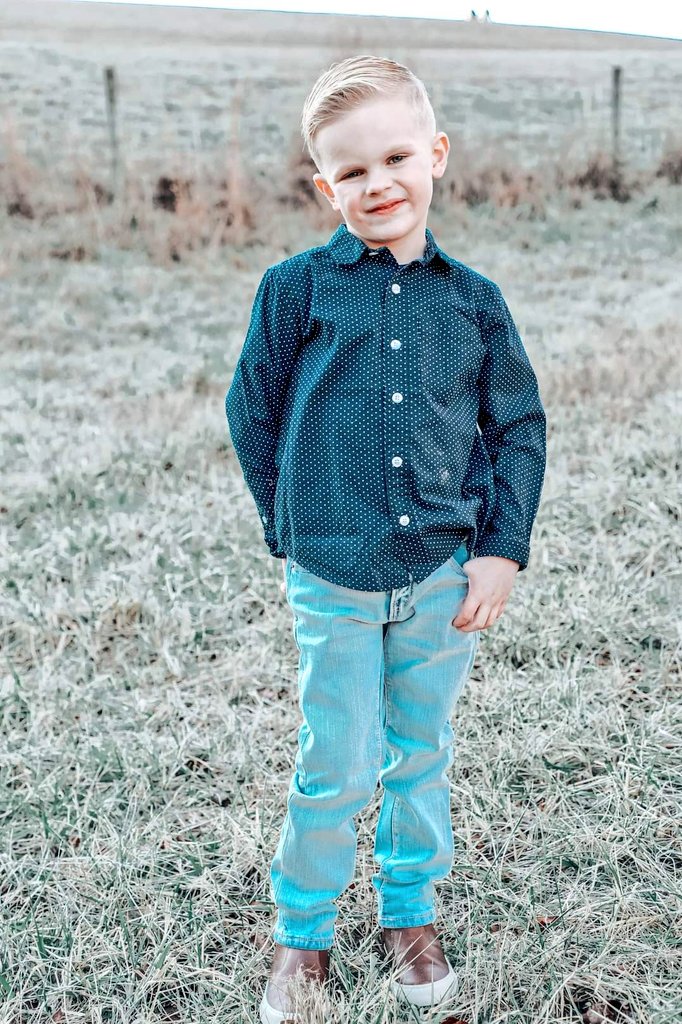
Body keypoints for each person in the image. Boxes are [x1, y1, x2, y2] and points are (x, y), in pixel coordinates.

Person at [225, 54, 547, 1024]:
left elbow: (516, 427)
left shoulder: (473, 300)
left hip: (441, 574)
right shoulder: (297, 291)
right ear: (326, 186)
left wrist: (499, 549)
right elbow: (254, 411)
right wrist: (292, 525)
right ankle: (303, 936)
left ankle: (408, 915)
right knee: (337, 759)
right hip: (332, 572)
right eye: (351, 171)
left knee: (418, 752)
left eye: (396, 157)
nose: (378, 183)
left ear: (435, 155)